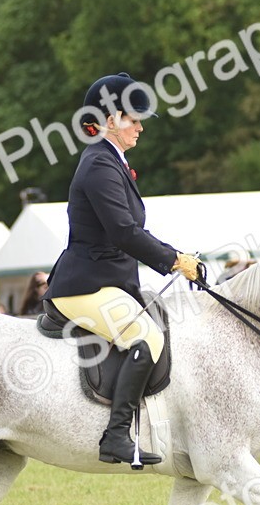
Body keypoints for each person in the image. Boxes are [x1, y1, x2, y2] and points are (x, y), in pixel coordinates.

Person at [44, 72, 202, 468]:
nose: (141, 126)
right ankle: (115, 436)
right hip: (84, 285)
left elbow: (131, 231)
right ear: (111, 119)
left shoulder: (112, 160)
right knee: (147, 337)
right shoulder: (98, 164)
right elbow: (124, 232)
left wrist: (176, 255)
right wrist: (173, 260)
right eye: (134, 119)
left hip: (103, 280)